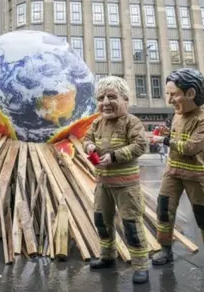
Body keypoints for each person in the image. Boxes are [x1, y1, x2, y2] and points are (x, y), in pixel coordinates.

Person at [149, 68, 204, 271]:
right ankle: (165, 249)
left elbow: (191, 148)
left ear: (190, 94)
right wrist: (168, 132)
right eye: (168, 94)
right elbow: (179, 138)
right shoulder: (177, 116)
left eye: (173, 94)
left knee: (203, 215)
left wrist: (163, 139)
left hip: (196, 176)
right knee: (164, 211)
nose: (169, 100)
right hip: (172, 173)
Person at [82, 76, 149, 285]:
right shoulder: (96, 123)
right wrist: (89, 147)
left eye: (112, 97)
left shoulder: (132, 122)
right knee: (102, 221)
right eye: (101, 98)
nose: (105, 102)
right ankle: (107, 257)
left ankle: (141, 265)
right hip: (103, 184)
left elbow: (140, 145)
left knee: (131, 224)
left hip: (126, 186)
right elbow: (86, 139)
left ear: (125, 100)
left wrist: (114, 156)